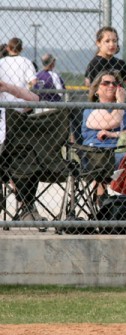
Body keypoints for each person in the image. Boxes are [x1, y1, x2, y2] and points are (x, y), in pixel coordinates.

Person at [0, 80, 46, 221]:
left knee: (22, 159)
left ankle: (27, 207)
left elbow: (35, 99)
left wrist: (7, 87)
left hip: (8, 152)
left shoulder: (6, 99)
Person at [82, 71, 126, 170]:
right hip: (97, 152)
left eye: (114, 83)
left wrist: (113, 134)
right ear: (96, 90)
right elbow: (113, 122)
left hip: (122, 148)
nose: (111, 86)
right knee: (124, 159)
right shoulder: (91, 109)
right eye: (106, 83)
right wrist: (121, 102)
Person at [0, 38, 37, 112]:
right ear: (22, 49)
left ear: (8, 48)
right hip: (21, 104)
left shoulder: (1, 62)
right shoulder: (26, 62)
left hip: (3, 104)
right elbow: (34, 82)